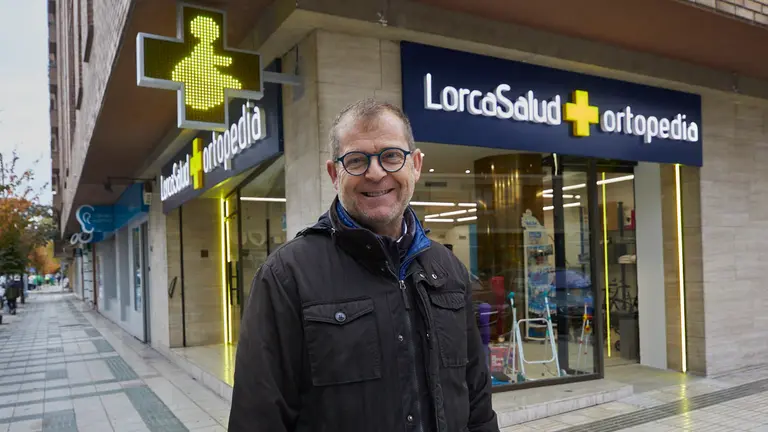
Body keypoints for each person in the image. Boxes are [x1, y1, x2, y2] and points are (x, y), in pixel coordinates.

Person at [229, 99, 499, 432]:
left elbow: (477, 403)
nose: (375, 173)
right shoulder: (287, 276)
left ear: (415, 165)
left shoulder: (449, 271)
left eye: (391, 156)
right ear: (334, 173)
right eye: (356, 160)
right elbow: (257, 419)